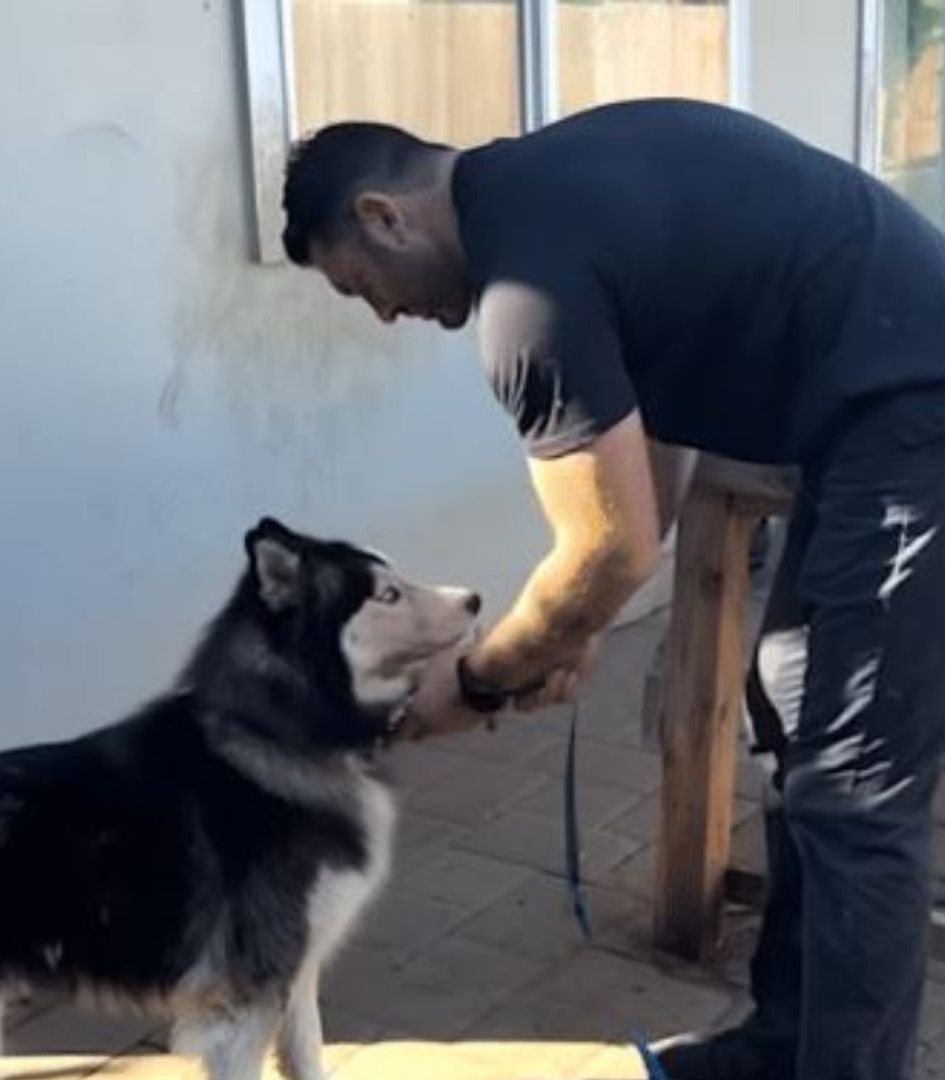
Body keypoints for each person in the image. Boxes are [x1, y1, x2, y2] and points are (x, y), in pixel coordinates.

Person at [281, 99, 945, 1080]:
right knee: (796, 708)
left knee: (854, 793)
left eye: (361, 286)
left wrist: (477, 682)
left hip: (912, 422)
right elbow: (644, 449)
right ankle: (784, 1045)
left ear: (385, 216)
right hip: (878, 418)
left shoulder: (520, 291)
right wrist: (579, 619)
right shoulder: (555, 187)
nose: (386, 314)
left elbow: (607, 549)